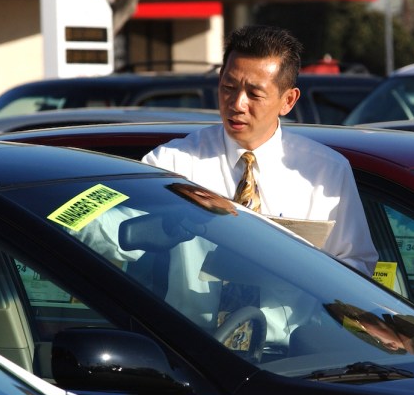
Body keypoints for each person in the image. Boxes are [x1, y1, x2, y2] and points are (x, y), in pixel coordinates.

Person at [142, 25, 378, 277]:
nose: (237, 104)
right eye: (228, 87)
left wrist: (306, 276)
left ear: (288, 101)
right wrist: (169, 224)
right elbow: (112, 238)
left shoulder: (326, 172)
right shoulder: (171, 164)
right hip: (188, 316)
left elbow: (358, 265)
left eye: (254, 94)